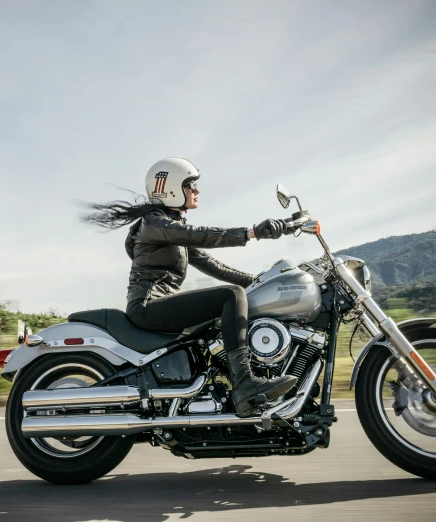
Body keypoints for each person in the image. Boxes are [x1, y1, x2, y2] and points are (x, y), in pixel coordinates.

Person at [84, 157, 296, 417]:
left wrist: (260, 281)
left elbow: (213, 265)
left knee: (231, 302)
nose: (197, 191)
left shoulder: (170, 229)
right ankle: (244, 385)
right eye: (191, 186)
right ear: (171, 188)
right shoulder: (154, 223)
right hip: (148, 307)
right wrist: (251, 232)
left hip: (161, 304)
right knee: (230, 295)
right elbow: (200, 235)